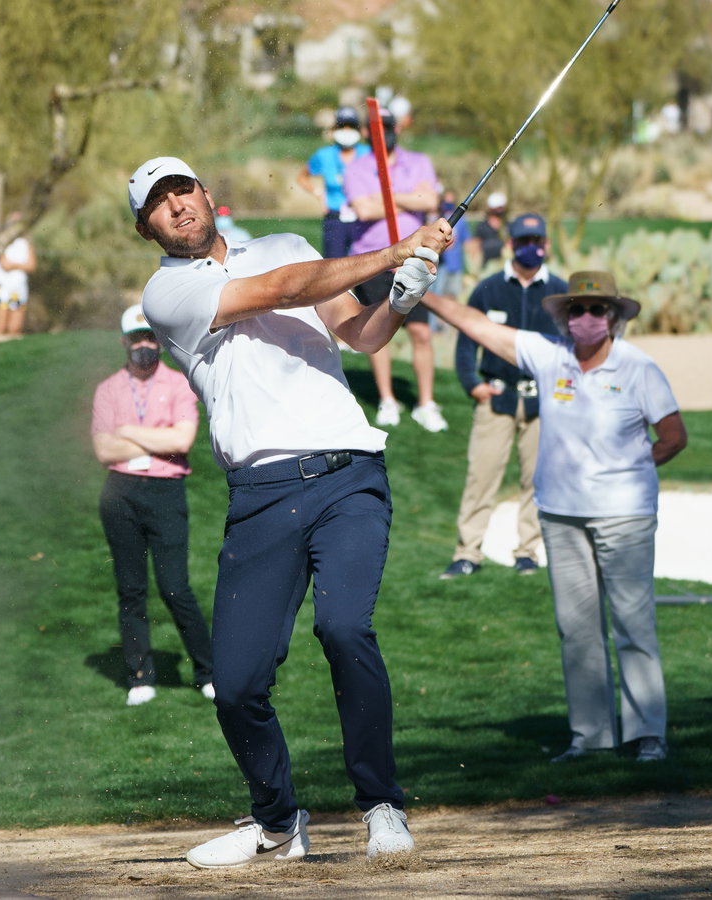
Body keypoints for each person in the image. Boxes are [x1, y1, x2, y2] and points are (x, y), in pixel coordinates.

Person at [128, 156, 450, 866]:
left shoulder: (285, 242)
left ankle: (381, 803)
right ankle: (277, 821)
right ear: (145, 227)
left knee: (344, 628)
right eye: (159, 203)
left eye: (185, 189)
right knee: (237, 683)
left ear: (208, 194)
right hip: (261, 496)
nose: (178, 206)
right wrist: (395, 248)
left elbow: (360, 335)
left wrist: (401, 295)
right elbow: (280, 291)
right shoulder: (167, 293)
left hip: (347, 473)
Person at [424, 271, 687, 762]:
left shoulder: (639, 368)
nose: (586, 318)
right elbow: (478, 326)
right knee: (577, 628)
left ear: (613, 317)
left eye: (597, 310)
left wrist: (626, 469)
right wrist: (423, 292)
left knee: (633, 623)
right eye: (577, 310)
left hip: (624, 516)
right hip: (561, 517)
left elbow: (673, 436)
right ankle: (589, 738)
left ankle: (646, 733)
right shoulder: (549, 355)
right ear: (565, 317)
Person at [90, 304, 213, 707]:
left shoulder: (179, 385)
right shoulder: (108, 389)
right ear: (125, 342)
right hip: (120, 492)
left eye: (150, 338)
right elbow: (103, 449)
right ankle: (139, 675)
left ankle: (208, 670)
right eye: (136, 339)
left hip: (165, 493)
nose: (144, 345)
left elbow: (181, 441)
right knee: (131, 589)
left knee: (175, 587)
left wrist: (127, 431)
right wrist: (151, 437)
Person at [442, 212, 566, 579]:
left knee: (538, 480)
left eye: (537, 241)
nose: (531, 248)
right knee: (481, 477)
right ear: (511, 244)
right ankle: (467, 553)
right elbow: (467, 340)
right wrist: (472, 384)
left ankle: (527, 552)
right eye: (524, 242)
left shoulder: (559, 292)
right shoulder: (489, 289)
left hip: (543, 403)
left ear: (546, 244)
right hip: (496, 398)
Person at [344, 106, 445, 432]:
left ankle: (426, 403)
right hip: (373, 261)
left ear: (396, 129)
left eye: (387, 127)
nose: (383, 133)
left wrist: (386, 197)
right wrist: (407, 197)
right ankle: (388, 400)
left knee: (420, 332)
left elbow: (429, 201)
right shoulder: (357, 168)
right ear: (365, 133)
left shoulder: (419, 162)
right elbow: (363, 209)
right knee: (378, 335)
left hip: (415, 259)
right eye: (375, 127)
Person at [297, 106, 370, 260]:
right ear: (335, 128)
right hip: (335, 219)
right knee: (334, 267)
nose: (347, 131)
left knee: (366, 266)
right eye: (343, 126)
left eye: (351, 126)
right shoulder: (324, 155)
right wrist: (318, 193)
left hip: (363, 218)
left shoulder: (367, 153)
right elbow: (302, 177)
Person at [0, 217, 35, 336]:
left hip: (19, 288)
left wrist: (14, 265)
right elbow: (5, 265)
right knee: (1, 326)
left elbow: (32, 265)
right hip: (3, 287)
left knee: (15, 328)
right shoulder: (1, 241)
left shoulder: (25, 243)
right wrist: (21, 265)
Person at [472, 191, 509, 271]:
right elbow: (475, 246)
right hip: (486, 267)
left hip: (503, 266)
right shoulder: (482, 226)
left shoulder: (507, 225)